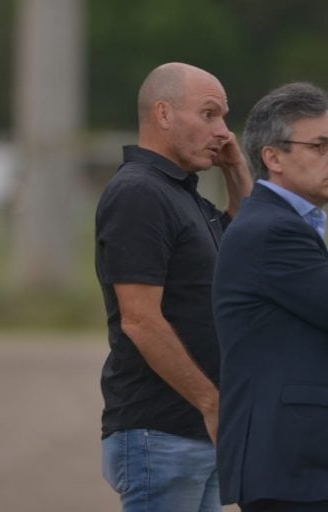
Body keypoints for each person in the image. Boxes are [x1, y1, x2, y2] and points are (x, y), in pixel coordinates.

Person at [212, 82, 328, 512]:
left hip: (298, 460)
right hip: (294, 462)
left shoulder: (281, 223)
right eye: (321, 145)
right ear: (273, 157)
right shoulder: (276, 230)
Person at [94, 62, 253, 512]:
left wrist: (236, 170)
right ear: (163, 114)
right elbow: (140, 320)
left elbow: (246, 245)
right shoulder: (139, 194)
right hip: (160, 432)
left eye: (224, 116)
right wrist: (211, 402)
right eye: (209, 115)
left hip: (197, 428)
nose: (223, 131)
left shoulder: (182, 194)